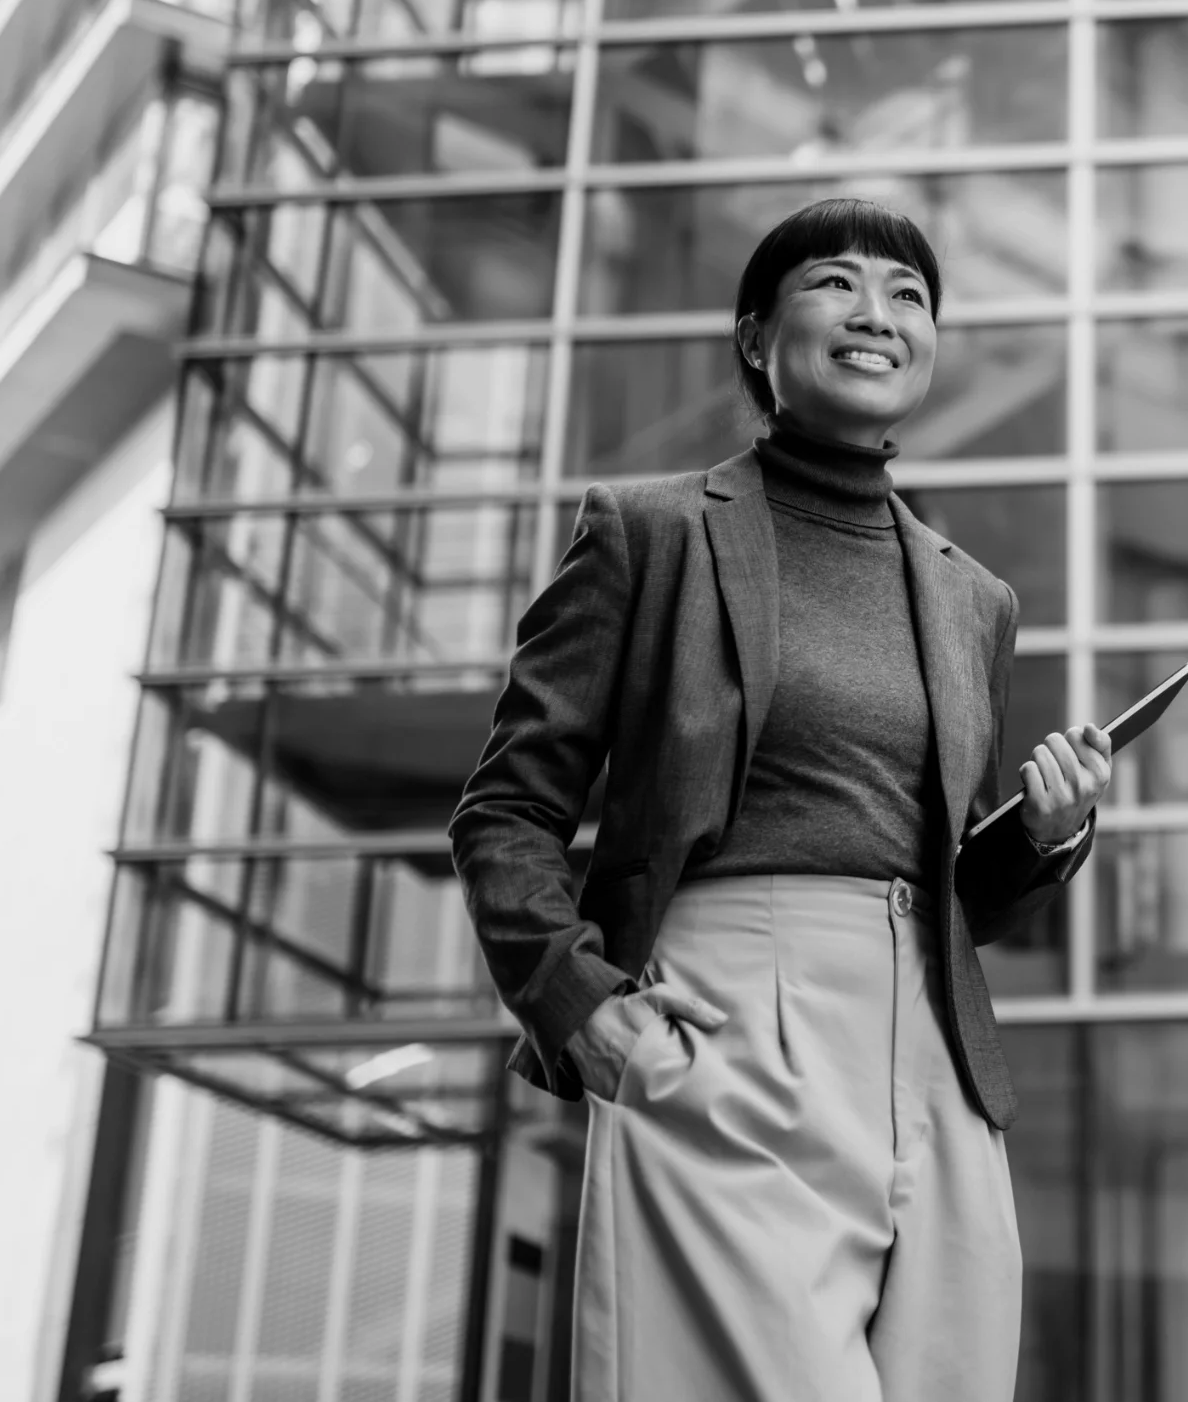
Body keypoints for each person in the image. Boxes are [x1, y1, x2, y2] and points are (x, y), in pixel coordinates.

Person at [449, 198, 1112, 1402]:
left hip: (935, 1050)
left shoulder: (977, 598)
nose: (877, 313)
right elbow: (506, 805)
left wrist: (1046, 835)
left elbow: (960, 884)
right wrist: (574, 999)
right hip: (729, 1018)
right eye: (837, 283)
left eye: (909, 295)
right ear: (757, 336)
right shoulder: (646, 534)